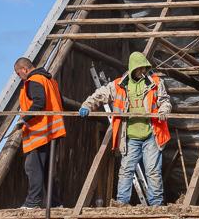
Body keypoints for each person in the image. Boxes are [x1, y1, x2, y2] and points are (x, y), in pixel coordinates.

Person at [79, 52, 171, 206]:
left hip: (152, 134)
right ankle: (122, 203)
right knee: (126, 170)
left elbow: (164, 101)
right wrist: (86, 106)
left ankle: (156, 204)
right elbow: (100, 95)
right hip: (130, 137)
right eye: (140, 68)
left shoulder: (155, 82)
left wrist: (164, 111)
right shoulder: (118, 85)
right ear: (133, 68)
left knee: (153, 171)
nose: (142, 71)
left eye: (144, 68)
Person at [14, 57, 65, 209]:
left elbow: (39, 103)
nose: (20, 78)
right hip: (52, 131)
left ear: (25, 69)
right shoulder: (50, 81)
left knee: (33, 167)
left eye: (18, 74)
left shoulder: (34, 80)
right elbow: (59, 101)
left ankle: (33, 202)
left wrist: (25, 118)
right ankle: (55, 204)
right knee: (47, 170)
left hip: (39, 132)